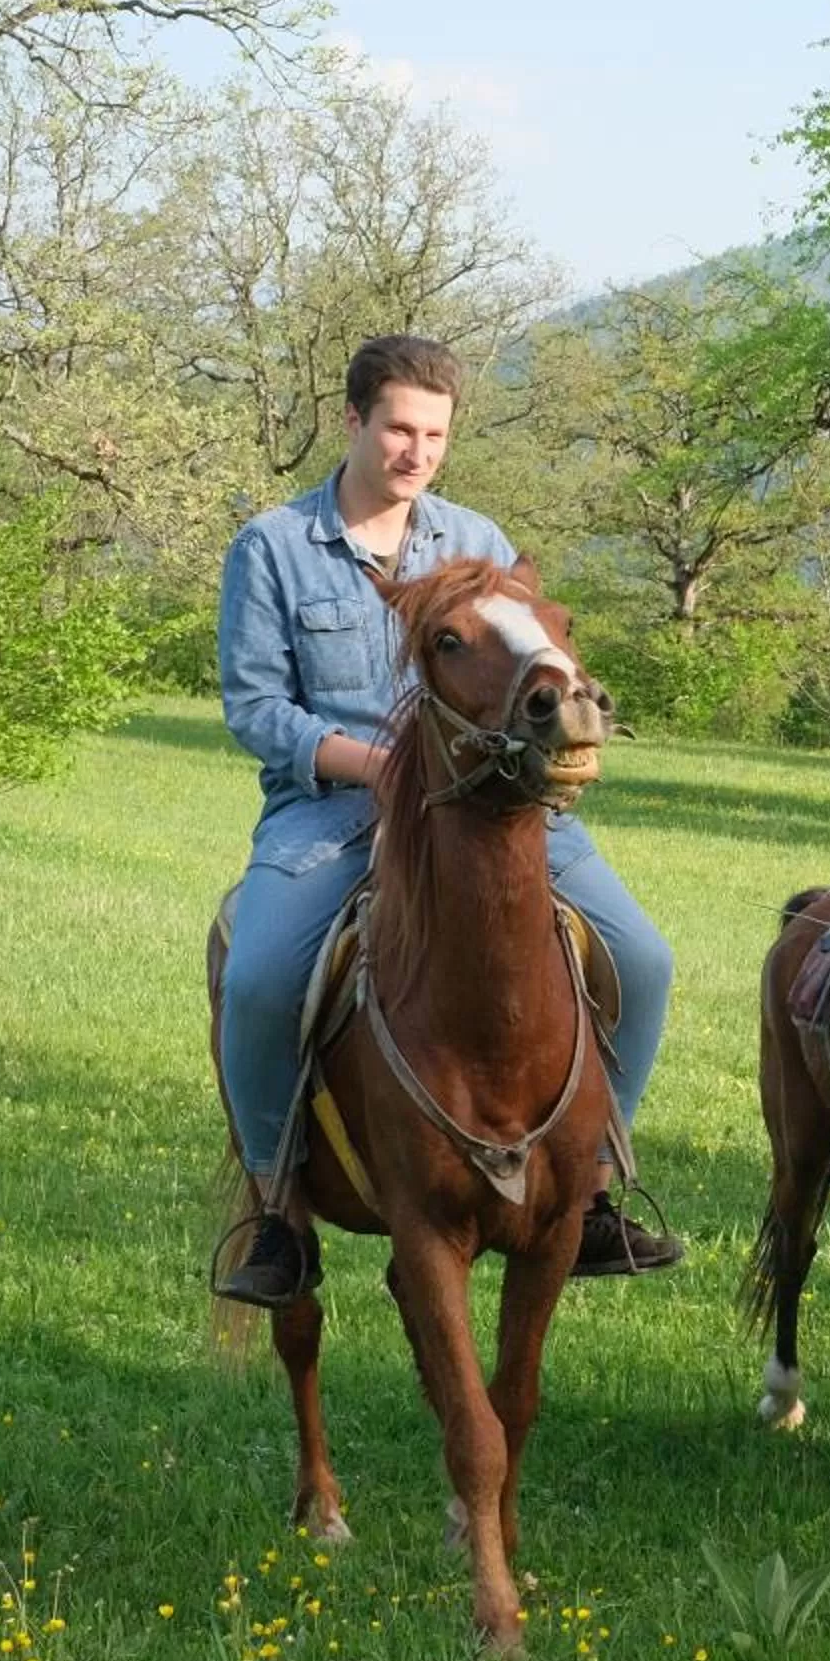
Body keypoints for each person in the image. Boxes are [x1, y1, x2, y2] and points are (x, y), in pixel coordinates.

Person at [211, 334, 683, 1305]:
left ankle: (591, 1191)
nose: (415, 452)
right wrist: (384, 765)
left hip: (498, 805)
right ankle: (275, 1209)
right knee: (258, 976)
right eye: (397, 428)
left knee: (643, 956)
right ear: (352, 421)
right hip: (337, 813)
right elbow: (258, 709)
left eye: (434, 434)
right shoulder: (273, 548)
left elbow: (530, 672)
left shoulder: (479, 544)